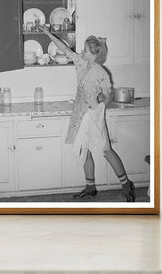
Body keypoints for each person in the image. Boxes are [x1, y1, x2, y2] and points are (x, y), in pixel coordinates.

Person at [41, 25, 136, 202]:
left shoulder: (102, 73)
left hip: (93, 116)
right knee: (83, 150)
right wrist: (47, 33)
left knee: (106, 150)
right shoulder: (81, 63)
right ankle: (90, 188)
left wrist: (99, 109)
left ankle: (127, 185)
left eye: (85, 50)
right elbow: (64, 48)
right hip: (79, 114)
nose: (82, 52)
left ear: (95, 54)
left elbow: (108, 95)